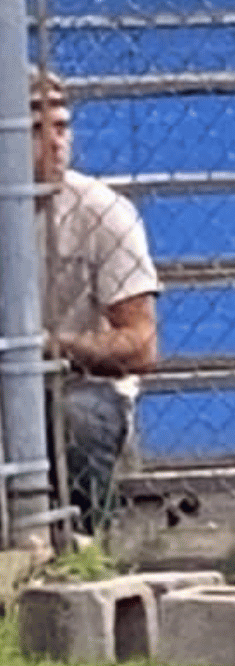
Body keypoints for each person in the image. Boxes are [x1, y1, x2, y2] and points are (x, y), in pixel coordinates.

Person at [31, 70, 160, 535]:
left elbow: (141, 346)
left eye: (62, 128)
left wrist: (51, 346)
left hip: (76, 383)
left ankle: (88, 549)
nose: (56, 143)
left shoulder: (102, 211)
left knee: (76, 420)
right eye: (34, 131)